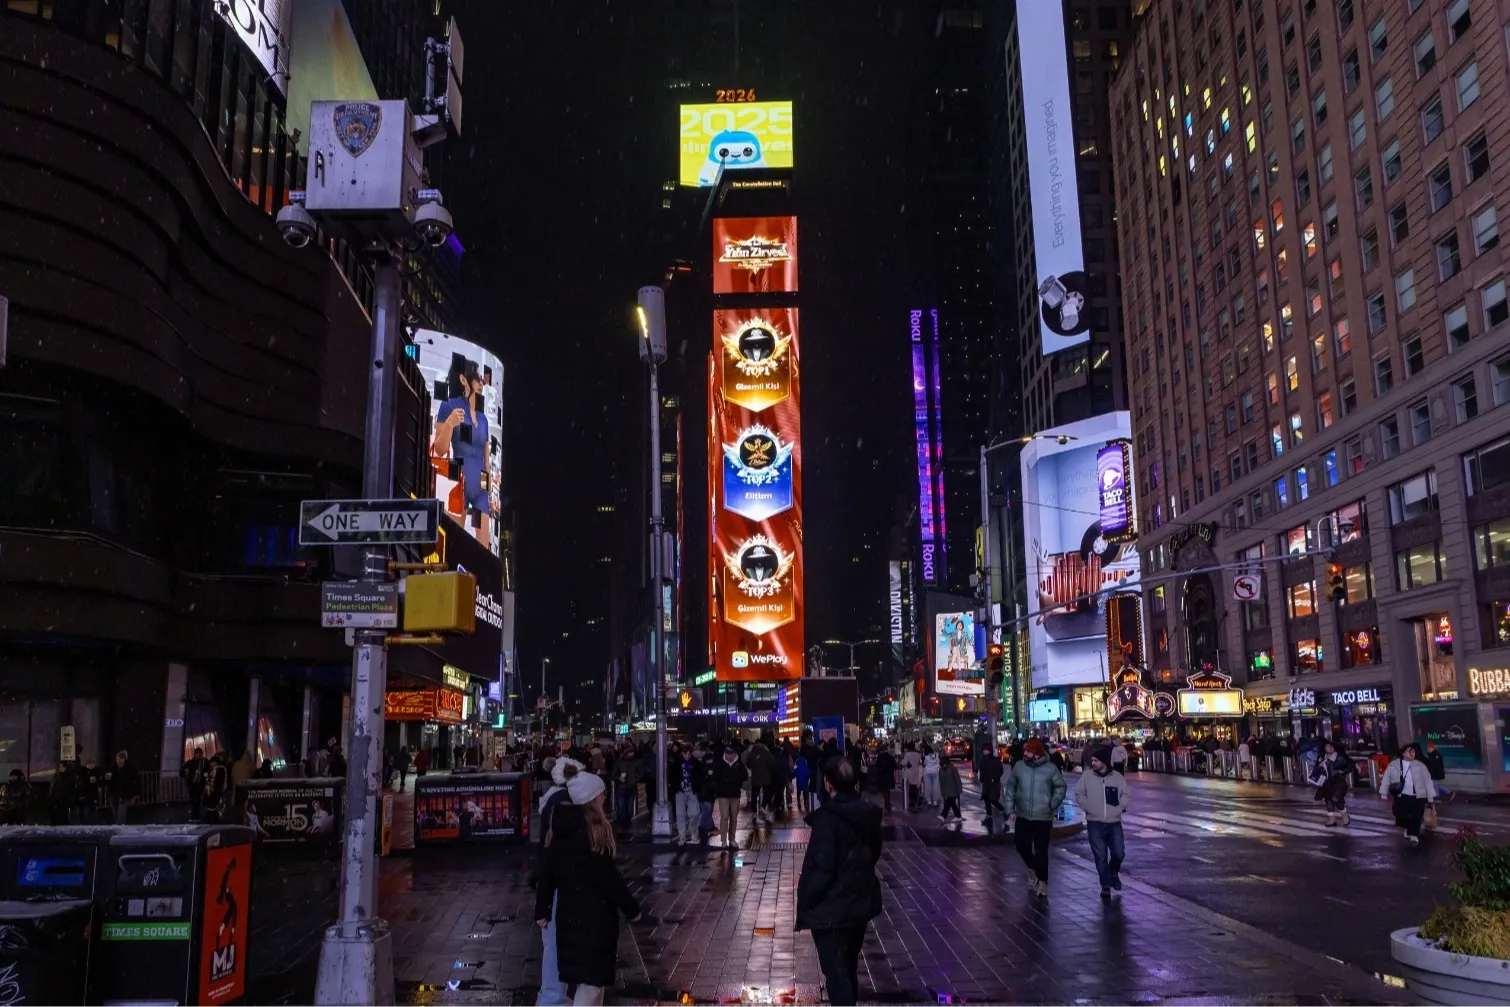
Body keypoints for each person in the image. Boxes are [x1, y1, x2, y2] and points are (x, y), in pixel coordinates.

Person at [534, 762, 642, 1007]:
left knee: (591, 983)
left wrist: (543, 907)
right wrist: (631, 909)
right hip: (594, 918)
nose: (604, 798)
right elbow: (608, 878)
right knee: (592, 984)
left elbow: (548, 870)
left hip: (572, 914)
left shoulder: (563, 827)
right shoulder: (592, 833)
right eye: (601, 794)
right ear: (592, 799)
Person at [795, 758, 883, 1007]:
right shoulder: (867, 813)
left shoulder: (828, 820)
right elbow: (874, 851)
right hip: (859, 902)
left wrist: (806, 904)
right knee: (848, 967)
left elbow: (820, 869)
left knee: (836, 975)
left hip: (831, 910)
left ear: (828, 784)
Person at [533, 757, 582, 1007]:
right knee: (555, 944)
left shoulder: (552, 799)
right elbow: (552, 854)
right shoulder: (564, 802)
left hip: (553, 881)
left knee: (552, 943)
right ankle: (553, 998)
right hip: (558, 882)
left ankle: (552, 995)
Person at [1004, 738, 1066, 897]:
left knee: (1041, 850)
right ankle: (1033, 868)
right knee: (1020, 845)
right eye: (1025, 750)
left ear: (1037, 753)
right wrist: (1010, 809)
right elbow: (1011, 788)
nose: (1025, 753)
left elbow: (1060, 786)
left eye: (1028, 751)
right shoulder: (1019, 767)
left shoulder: (1050, 768)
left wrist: (1052, 804)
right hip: (1023, 814)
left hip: (1043, 816)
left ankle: (1043, 882)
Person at [1075, 747, 1129, 899]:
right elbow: (1079, 793)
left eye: (1095, 760)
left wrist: (1121, 806)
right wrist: (1087, 807)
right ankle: (1105, 885)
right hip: (1095, 823)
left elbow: (1125, 793)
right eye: (1092, 760)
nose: (1092, 763)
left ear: (1104, 762)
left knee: (1119, 853)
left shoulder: (1117, 777)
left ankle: (1113, 873)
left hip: (1114, 822)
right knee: (1100, 856)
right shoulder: (1087, 776)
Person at [1380, 743, 1436, 845]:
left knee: (1416, 816)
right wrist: (1384, 792)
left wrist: (1430, 797)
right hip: (1402, 795)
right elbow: (1386, 778)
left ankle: (1413, 835)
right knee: (1398, 814)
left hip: (1417, 796)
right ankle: (1408, 826)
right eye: (1409, 751)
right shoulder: (1394, 765)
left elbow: (1428, 781)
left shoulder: (1420, 766)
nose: (1412, 753)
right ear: (1403, 753)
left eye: (1413, 751)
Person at [712, 745, 748, 852]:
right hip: (723, 795)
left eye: (730, 755)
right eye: (727, 755)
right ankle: (723, 840)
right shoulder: (720, 763)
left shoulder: (739, 763)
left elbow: (745, 776)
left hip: (735, 794)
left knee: (734, 817)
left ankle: (732, 839)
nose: (729, 757)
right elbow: (715, 777)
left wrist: (736, 780)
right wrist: (718, 788)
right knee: (724, 817)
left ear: (734, 755)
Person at [1313, 740, 1352, 826]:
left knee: (1335, 798)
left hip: (1339, 782)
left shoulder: (1339, 757)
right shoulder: (1322, 758)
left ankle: (1345, 815)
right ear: (1324, 748)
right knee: (1328, 800)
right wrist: (1319, 766)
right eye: (1327, 746)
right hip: (1327, 783)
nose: (1330, 748)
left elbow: (1349, 767)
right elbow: (1316, 767)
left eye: (1331, 746)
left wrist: (1340, 771)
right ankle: (1332, 819)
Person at [672, 744, 704, 846]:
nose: (687, 756)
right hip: (680, 791)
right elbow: (672, 776)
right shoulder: (677, 763)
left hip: (692, 790)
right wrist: (675, 788)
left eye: (689, 754)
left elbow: (700, 774)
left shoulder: (695, 762)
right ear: (682, 753)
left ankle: (693, 831)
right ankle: (682, 837)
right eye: (685, 753)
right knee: (680, 814)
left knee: (695, 813)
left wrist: (697, 786)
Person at [105, 750, 139, 824]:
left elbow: (136, 782)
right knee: (115, 813)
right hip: (113, 794)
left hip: (124, 794)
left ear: (124, 759)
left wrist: (135, 795)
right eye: (117, 759)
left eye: (120, 759)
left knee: (121, 813)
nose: (118, 761)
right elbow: (108, 780)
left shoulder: (130, 770)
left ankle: (119, 827)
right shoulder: (113, 769)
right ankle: (117, 825)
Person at [979, 746, 1005, 833]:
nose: (985, 752)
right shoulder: (983, 759)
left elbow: (1000, 771)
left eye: (986, 750)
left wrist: (995, 778)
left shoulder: (995, 760)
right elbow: (981, 770)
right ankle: (988, 815)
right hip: (986, 783)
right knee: (987, 799)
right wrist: (981, 779)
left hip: (993, 783)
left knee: (993, 799)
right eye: (984, 750)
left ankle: (1002, 810)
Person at [181, 747, 209, 821]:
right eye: (198, 755)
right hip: (193, 784)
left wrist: (206, 779)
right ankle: (195, 815)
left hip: (199, 784)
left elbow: (207, 771)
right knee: (195, 800)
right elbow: (182, 772)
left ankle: (195, 815)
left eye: (200, 755)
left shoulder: (204, 762)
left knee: (197, 800)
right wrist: (187, 775)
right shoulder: (190, 763)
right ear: (195, 754)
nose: (199, 756)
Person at [937, 756, 963, 822]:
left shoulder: (953, 769)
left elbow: (957, 780)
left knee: (949, 802)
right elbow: (941, 782)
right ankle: (958, 816)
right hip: (946, 791)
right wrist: (942, 791)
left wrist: (959, 789)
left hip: (953, 790)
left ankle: (943, 816)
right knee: (952, 803)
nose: (943, 765)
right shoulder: (941, 770)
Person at [872, 746, 896, 813]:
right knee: (887, 790)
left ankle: (887, 804)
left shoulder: (880, 757)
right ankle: (887, 804)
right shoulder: (891, 757)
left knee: (884, 790)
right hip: (889, 776)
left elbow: (877, 766)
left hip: (882, 776)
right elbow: (895, 766)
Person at [921, 744, 941, 809]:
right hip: (936, 772)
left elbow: (924, 764)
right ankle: (935, 801)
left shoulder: (926, 757)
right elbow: (939, 762)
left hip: (928, 772)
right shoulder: (937, 755)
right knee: (935, 787)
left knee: (928, 786)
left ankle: (929, 801)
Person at [793, 749, 812, 814]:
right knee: (805, 793)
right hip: (805, 784)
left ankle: (798, 801)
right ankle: (805, 802)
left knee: (798, 793)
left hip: (799, 784)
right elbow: (810, 775)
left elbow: (793, 775)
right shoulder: (807, 769)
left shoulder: (797, 769)